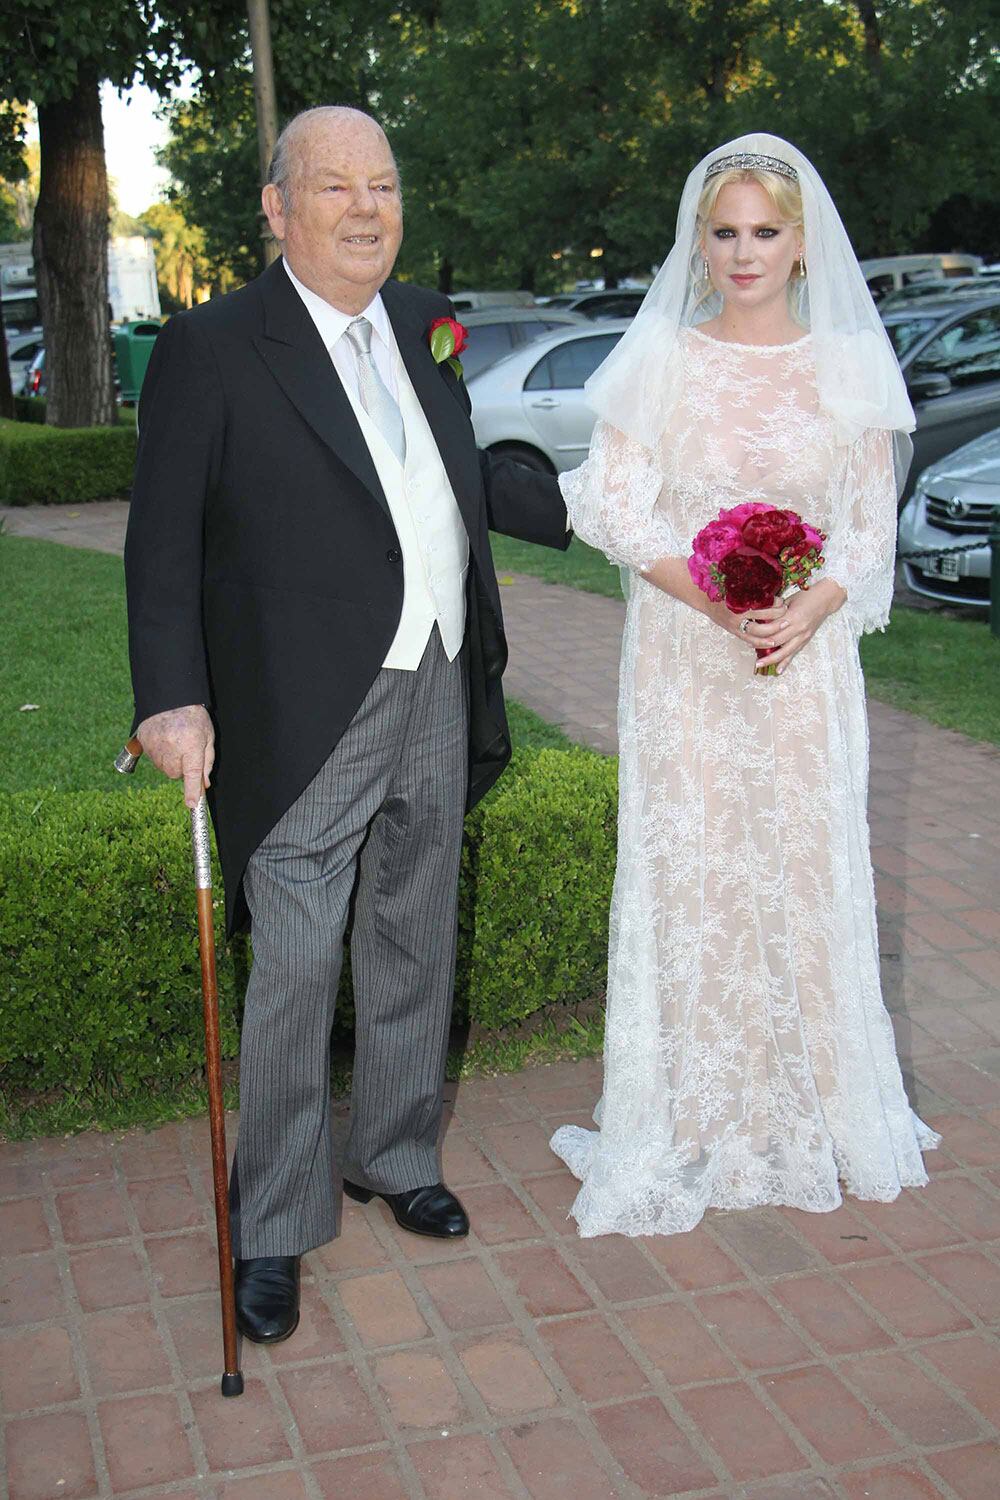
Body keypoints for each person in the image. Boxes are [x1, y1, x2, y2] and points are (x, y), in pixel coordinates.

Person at [125, 106, 570, 1340]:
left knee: (417, 927)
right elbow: (159, 542)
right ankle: (270, 1223)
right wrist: (170, 694)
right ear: (276, 209)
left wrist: (585, 503)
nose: (366, 207)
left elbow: (444, 476)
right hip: (301, 697)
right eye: (334, 186)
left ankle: (393, 1152)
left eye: (382, 183)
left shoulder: (424, 322)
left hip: (435, 670)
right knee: (299, 963)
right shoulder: (213, 346)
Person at [549, 132, 938, 1237]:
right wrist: (715, 596)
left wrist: (809, 604)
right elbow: (614, 511)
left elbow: (867, 533)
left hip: (806, 669)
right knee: (704, 869)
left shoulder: (848, 369)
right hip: (687, 662)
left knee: (800, 865)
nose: (743, 250)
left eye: (764, 231)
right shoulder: (663, 361)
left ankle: (811, 1100)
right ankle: (701, 1113)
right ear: (699, 243)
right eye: (723, 232)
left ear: (802, 242)